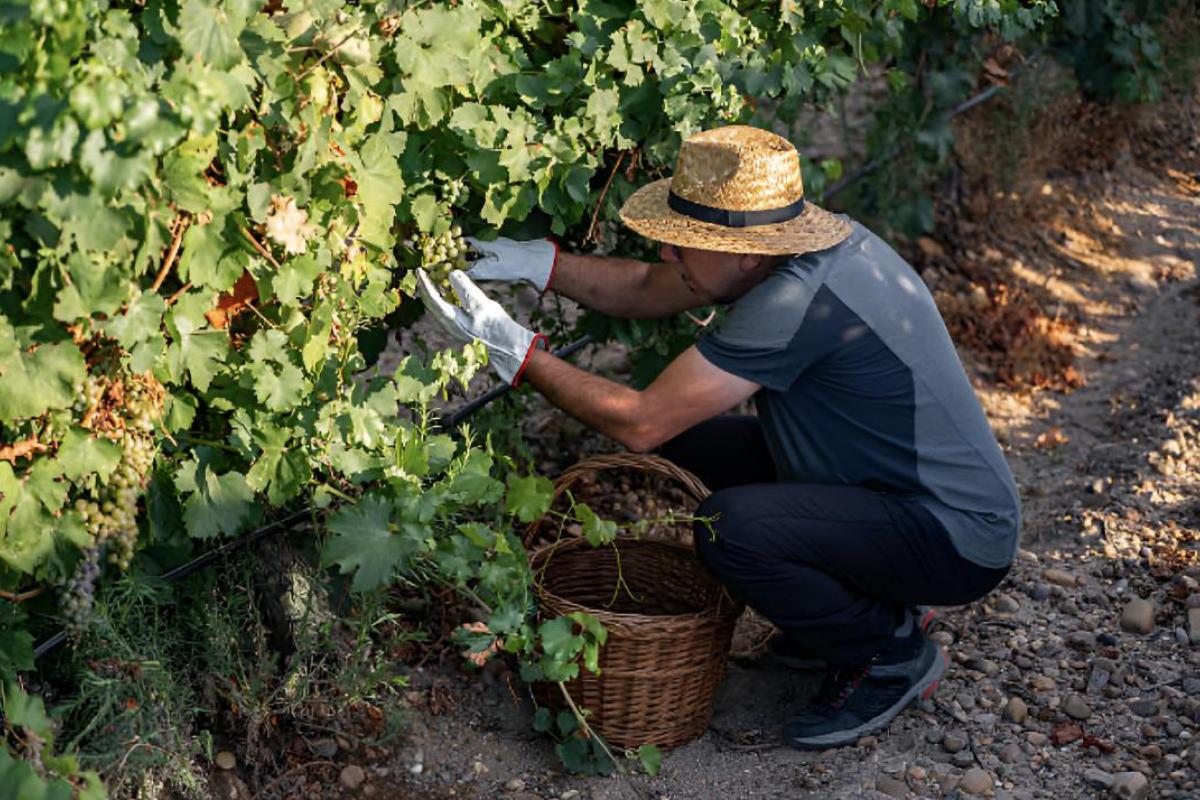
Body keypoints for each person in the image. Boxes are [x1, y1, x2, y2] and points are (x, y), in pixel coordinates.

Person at [416, 125, 1019, 749]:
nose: (668, 255)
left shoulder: (793, 301)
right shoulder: (793, 252)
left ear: (746, 255)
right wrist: (540, 264)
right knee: (697, 443)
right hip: (887, 490)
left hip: (956, 537)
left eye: (684, 244)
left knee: (732, 526)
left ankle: (886, 652)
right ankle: (862, 603)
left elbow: (640, 422)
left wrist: (519, 357)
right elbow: (653, 288)